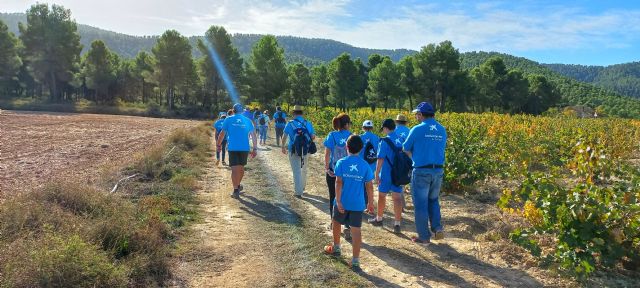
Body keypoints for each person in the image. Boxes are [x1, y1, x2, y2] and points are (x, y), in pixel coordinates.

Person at [323, 135, 375, 272]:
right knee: (356, 230)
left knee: (336, 223)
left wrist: (338, 200)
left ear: (346, 147)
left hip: (343, 202)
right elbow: (369, 186)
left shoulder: (341, 162)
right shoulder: (365, 166)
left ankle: (336, 247)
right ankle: (356, 260)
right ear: (362, 148)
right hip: (358, 204)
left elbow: (338, 182)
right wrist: (370, 203)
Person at [403, 102, 447, 244]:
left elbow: (405, 148)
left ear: (421, 114)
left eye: (417, 114)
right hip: (438, 170)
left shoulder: (417, 129)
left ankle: (424, 236)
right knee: (433, 200)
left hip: (421, 170)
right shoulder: (442, 129)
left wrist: (414, 157)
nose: (416, 116)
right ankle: (437, 228)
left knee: (421, 204)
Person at [368, 119, 405, 234]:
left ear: (385, 128)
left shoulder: (384, 141)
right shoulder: (401, 139)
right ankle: (397, 224)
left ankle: (379, 219)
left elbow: (380, 158)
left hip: (386, 173)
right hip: (398, 173)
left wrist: (376, 173)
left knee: (382, 196)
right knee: (397, 198)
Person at [217, 103, 258, 198]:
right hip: (244, 148)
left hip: (233, 148)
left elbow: (222, 133)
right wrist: (255, 148)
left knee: (235, 170)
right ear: (242, 111)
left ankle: (236, 189)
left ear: (233, 110)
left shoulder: (228, 119)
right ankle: (237, 186)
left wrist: (218, 145)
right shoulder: (247, 120)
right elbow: (253, 135)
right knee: (241, 168)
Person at [324, 113, 352, 234]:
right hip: (348, 172)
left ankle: (333, 222)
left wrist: (327, 168)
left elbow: (327, 154)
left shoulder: (332, 135)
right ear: (346, 124)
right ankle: (347, 225)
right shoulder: (351, 136)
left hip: (333, 171)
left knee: (333, 197)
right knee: (347, 197)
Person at [281, 105, 316, 198]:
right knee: (304, 169)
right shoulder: (308, 123)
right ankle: (303, 186)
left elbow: (284, 136)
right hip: (306, 149)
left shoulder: (290, 123)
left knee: (296, 170)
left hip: (293, 149)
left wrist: (282, 146)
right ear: (302, 113)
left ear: (293, 113)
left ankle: (298, 191)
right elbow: (313, 136)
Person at [359, 120, 379, 206]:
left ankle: (364, 201)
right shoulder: (377, 138)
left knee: (361, 184)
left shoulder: (360, 137)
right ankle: (369, 203)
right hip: (372, 164)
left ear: (363, 128)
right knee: (369, 183)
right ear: (372, 128)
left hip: (362, 163)